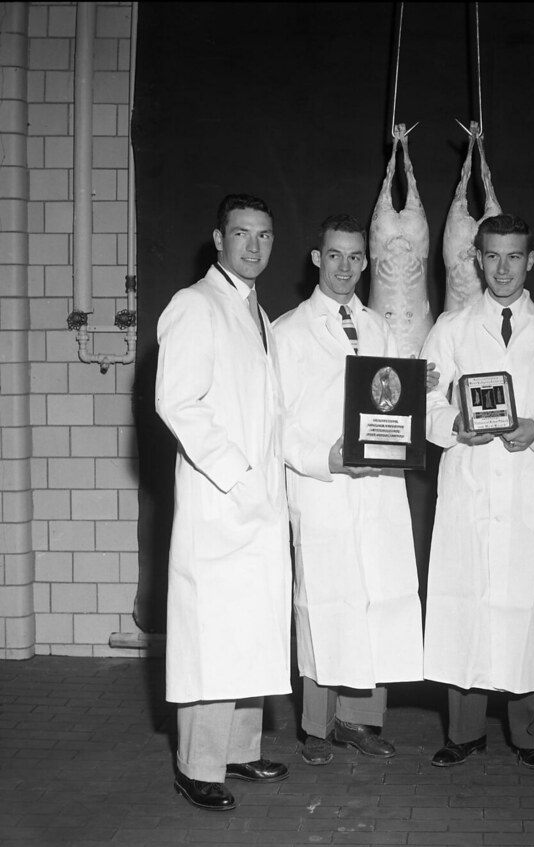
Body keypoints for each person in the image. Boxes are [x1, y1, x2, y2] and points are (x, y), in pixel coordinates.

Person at [419, 213, 534, 771]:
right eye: (493, 256)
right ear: (477, 260)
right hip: (470, 487)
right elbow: (427, 404)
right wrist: (452, 428)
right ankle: (464, 732)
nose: (503, 268)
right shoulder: (450, 329)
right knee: (467, 607)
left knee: (526, 611)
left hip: (530, 490)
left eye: (514, 256)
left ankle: (529, 735)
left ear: (530, 261)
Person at [155, 193, 291, 811]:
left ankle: (239, 749)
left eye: (264, 236)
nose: (254, 246)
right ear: (218, 238)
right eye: (242, 234)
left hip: (257, 504)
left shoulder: (258, 314)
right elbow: (177, 403)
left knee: (250, 628)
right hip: (221, 502)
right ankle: (197, 765)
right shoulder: (194, 305)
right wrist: (238, 476)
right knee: (213, 635)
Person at [272, 213, 425, 766]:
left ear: (367, 262)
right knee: (324, 602)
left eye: (355, 257)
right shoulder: (287, 331)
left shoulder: (381, 328)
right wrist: (324, 460)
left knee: (375, 600)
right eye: (333, 255)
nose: (344, 267)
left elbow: (391, 406)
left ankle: (360, 720)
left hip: (377, 490)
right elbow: (279, 421)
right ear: (316, 257)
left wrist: (419, 391)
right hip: (324, 489)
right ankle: (315, 727)